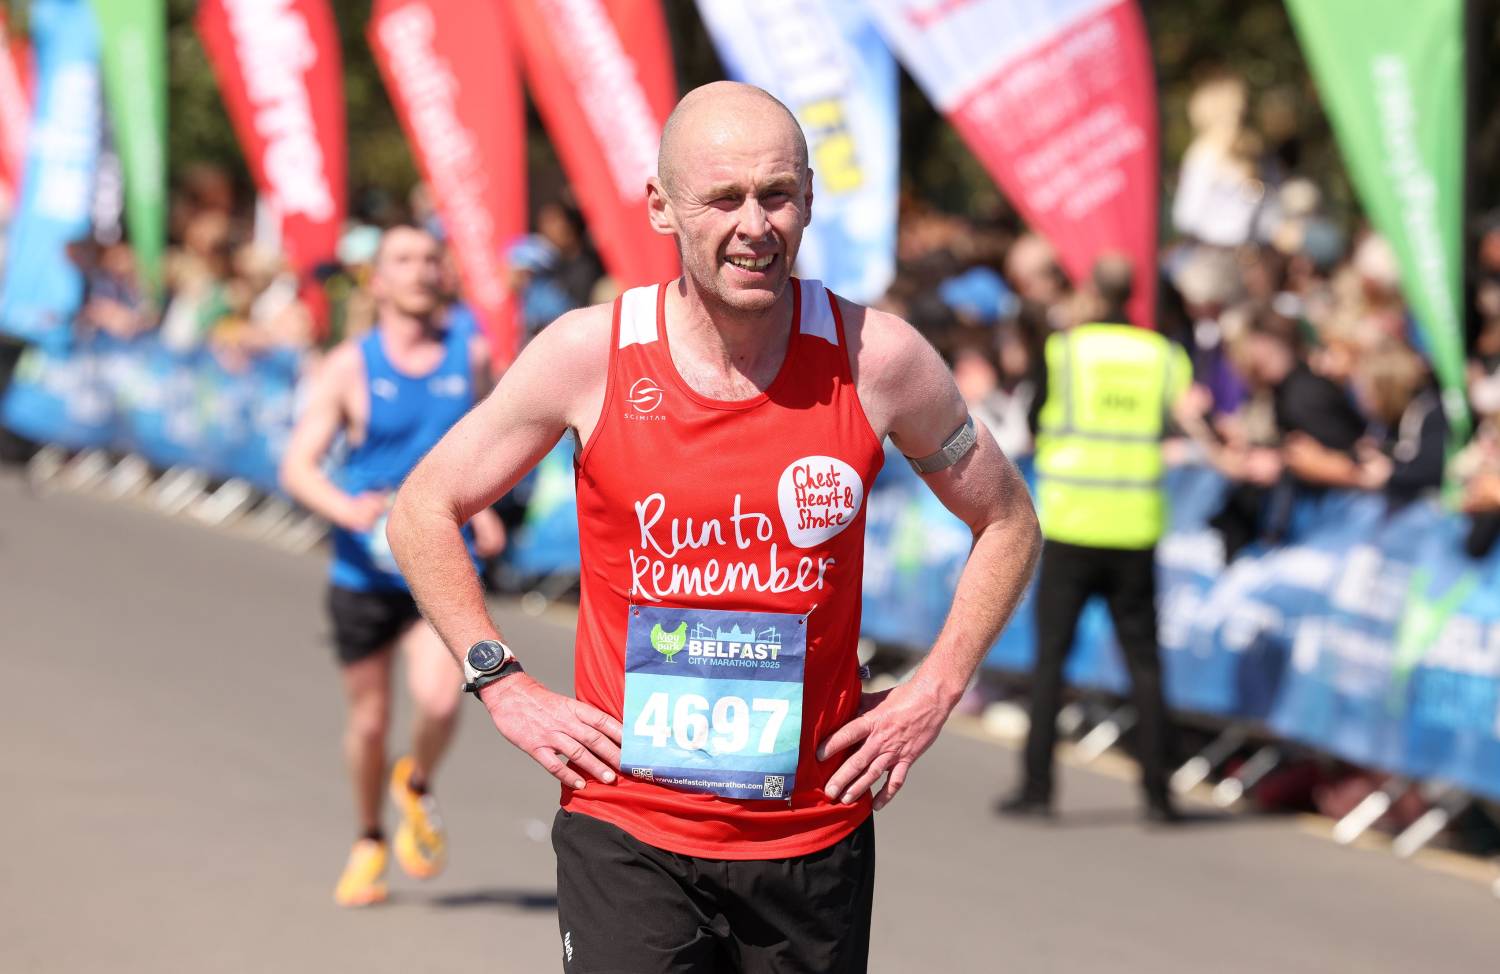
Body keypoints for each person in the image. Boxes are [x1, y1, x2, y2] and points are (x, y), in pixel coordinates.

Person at [387, 82, 1040, 972]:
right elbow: (423, 507)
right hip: (628, 825)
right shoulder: (589, 355)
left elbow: (1007, 521)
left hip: (812, 838)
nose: (755, 226)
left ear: (808, 199)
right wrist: (500, 680)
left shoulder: (877, 360)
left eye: (777, 195)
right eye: (723, 198)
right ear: (661, 207)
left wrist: (936, 689)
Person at [278, 225, 503, 907]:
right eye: (403, 260)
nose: (420, 269)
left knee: (440, 698)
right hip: (364, 572)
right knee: (370, 723)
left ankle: (417, 781)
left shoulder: (472, 357)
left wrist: (486, 507)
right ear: (376, 281)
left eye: (431, 258)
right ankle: (370, 837)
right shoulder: (349, 365)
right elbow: (298, 466)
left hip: (442, 562)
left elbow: (492, 447)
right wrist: (346, 509)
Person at [998, 256, 1191, 823]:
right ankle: (1159, 796)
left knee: (1051, 661)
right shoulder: (1162, 355)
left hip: (1073, 524)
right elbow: (1178, 422)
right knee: (1145, 664)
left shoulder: (1064, 351)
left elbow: (1034, 420)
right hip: (1134, 526)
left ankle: (1037, 789)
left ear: (1092, 291)